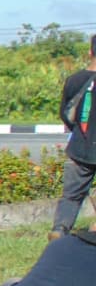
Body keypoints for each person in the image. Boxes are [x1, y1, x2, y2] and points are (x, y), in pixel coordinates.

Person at [50, 34, 96, 240]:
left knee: (71, 196)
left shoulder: (74, 80)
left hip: (79, 147)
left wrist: (79, 132)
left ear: (90, 51)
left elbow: (65, 114)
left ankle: (60, 229)